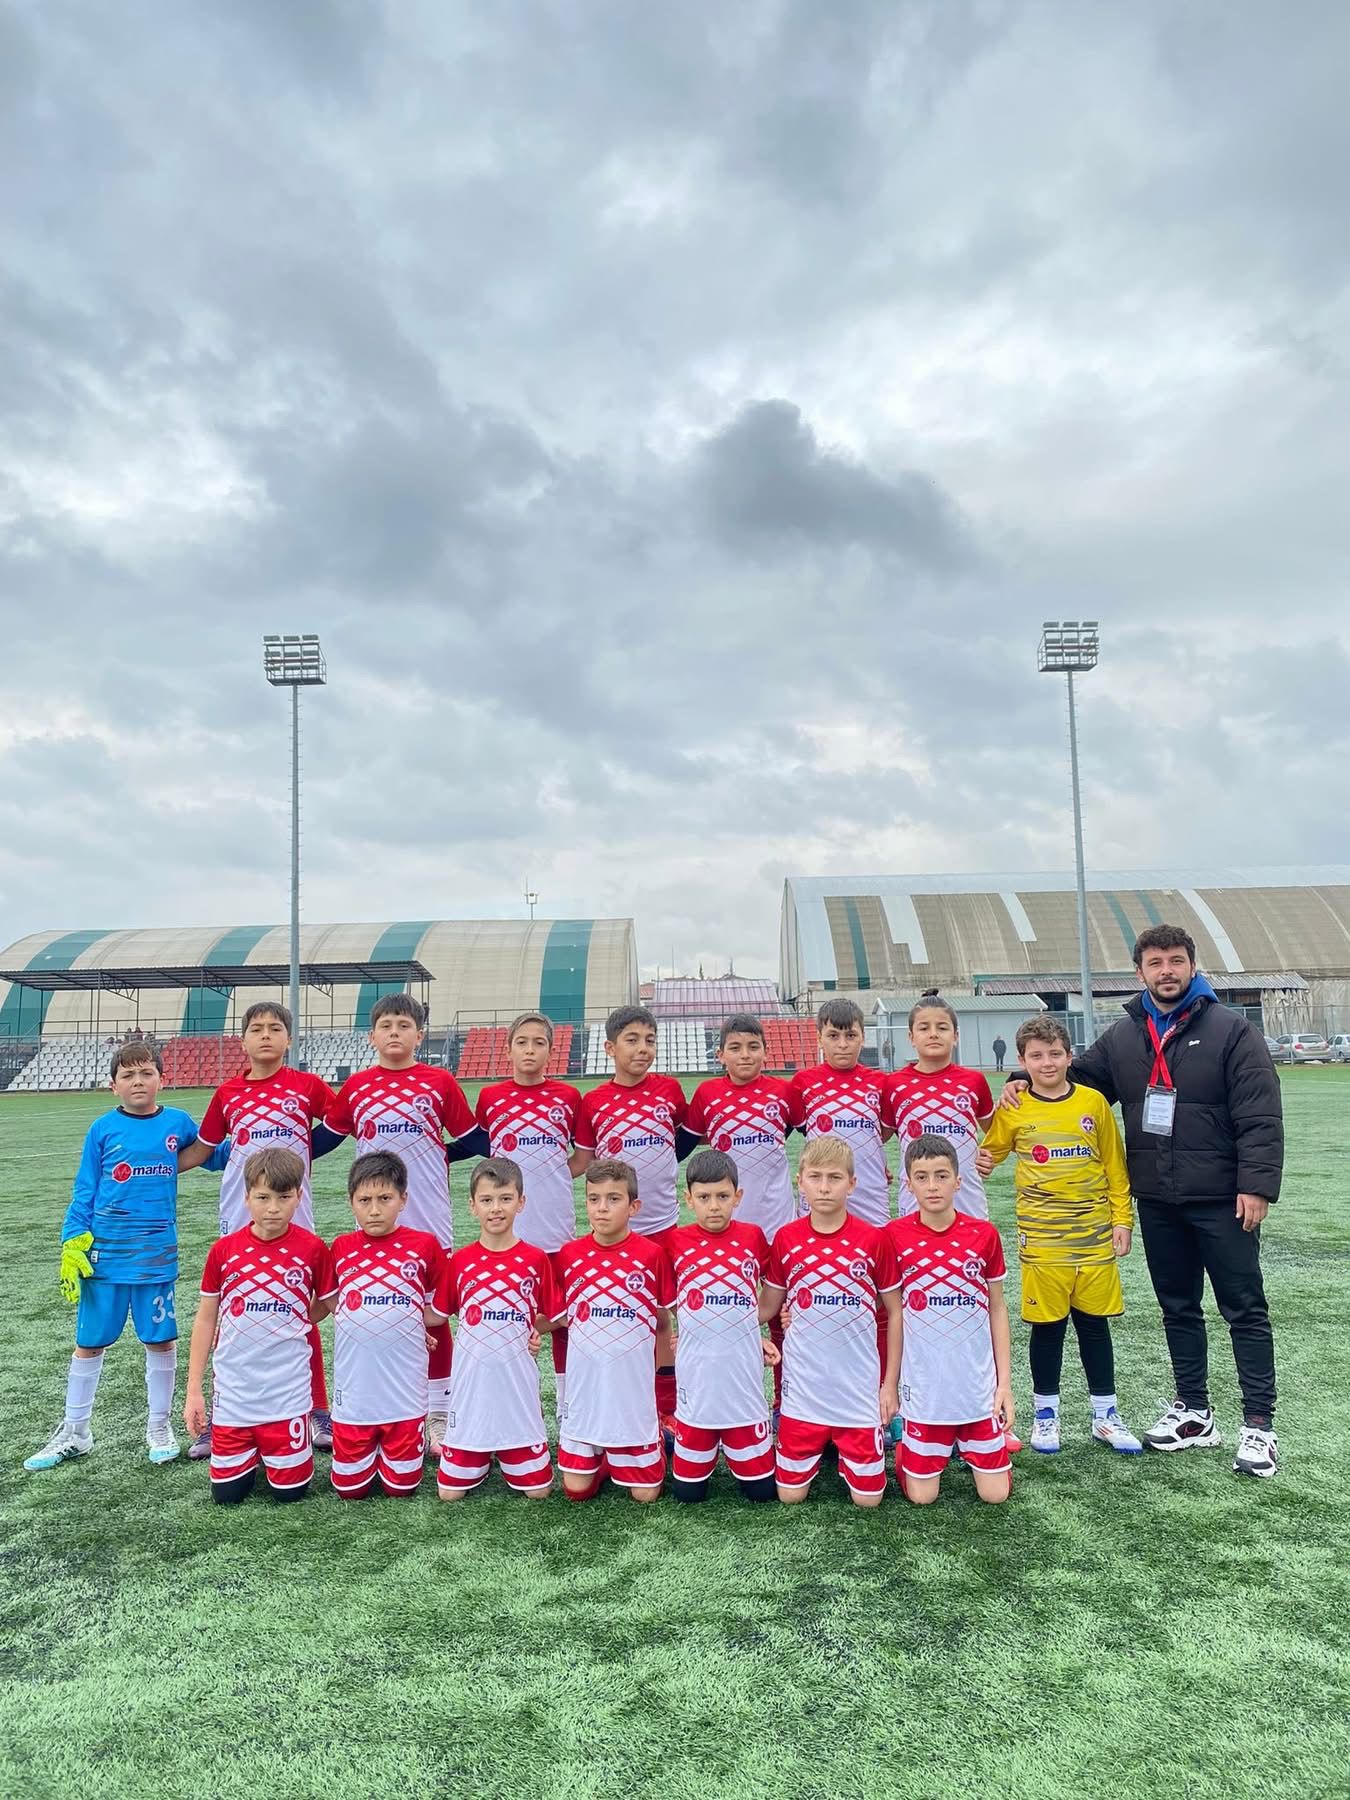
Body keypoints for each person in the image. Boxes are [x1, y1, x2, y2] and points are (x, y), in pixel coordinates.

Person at [999, 924, 1283, 1478]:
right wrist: (1019, 1078)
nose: (1166, 971)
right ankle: (1196, 1412)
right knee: (1178, 1307)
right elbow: (1071, 1079)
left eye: (1176, 961)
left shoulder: (1230, 1030)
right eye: (1155, 963)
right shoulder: (1125, 1036)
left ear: (1192, 965)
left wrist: (1256, 1185)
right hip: (1157, 1197)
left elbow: (1260, 1112)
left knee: (1244, 1309)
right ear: (1140, 972)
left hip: (1223, 1197)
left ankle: (1259, 1426)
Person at [24, 1042, 202, 1473]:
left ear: (163, 1078)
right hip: (105, 1256)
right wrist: (72, 1239)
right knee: (89, 1343)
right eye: (128, 1075)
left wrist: (253, 1141)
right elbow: (85, 1187)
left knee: (159, 1339)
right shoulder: (102, 1129)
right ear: (113, 1086)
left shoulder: (178, 1123)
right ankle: (75, 1430)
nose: (138, 1081)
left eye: (146, 1073)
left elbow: (211, 1152)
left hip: (155, 1255)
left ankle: (158, 1427)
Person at [178, 1001, 340, 1454]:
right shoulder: (228, 1093)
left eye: (275, 1028)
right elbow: (201, 1150)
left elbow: (338, 1126)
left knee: (302, 1307)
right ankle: (220, 1416)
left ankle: (316, 1409)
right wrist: (152, 1167)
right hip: (239, 1213)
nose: (265, 1035)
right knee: (234, 1313)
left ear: (288, 1039)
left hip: (292, 1210)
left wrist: (303, 1154)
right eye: (256, 1029)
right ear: (243, 1040)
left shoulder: (307, 1086)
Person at [979, 1016, 1141, 1456]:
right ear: (1022, 1061)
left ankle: (1105, 1415)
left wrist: (1122, 1221)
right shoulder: (1016, 1108)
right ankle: (1045, 1416)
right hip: (1042, 1241)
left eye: (1054, 1054)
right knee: (1047, 1329)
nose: (1046, 1062)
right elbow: (986, 1153)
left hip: (1093, 1239)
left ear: (1070, 1056)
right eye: (1036, 1055)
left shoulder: (1092, 1104)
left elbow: (1114, 1167)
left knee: (1094, 1326)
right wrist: (973, 1164)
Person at [324, 993, 476, 1450]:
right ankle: (385, 1403)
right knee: (376, 1308)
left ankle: (439, 1413)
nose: (395, 1032)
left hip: (428, 1217)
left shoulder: (440, 1082)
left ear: (419, 1035)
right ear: (372, 1036)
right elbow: (326, 1138)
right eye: (386, 1025)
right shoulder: (356, 1088)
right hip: (373, 1220)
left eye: (404, 1025)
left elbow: (470, 1139)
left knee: (435, 1315)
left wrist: (436, 1155)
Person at [183, 1148, 337, 1504]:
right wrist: (194, 1389)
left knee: (290, 1495)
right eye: (263, 1197)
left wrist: (302, 1316)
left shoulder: (313, 1249)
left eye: (284, 1197)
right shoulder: (224, 1251)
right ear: (246, 1197)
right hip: (235, 1394)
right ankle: (246, 1450)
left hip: (287, 1394)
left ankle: (275, 1450)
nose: (273, 1208)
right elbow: (206, 1319)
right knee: (227, 1497)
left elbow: (329, 1304)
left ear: (299, 1196)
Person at [761, 1135, 901, 1507]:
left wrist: (889, 1385)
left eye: (835, 1178)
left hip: (856, 1393)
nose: (824, 1187)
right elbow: (767, 1306)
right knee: (789, 1496)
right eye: (816, 1177)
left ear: (852, 1184)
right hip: (803, 1393)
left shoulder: (874, 1239)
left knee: (869, 1500)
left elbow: (895, 1311)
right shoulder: (786, 1239)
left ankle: (850, 1451)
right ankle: (813, 1448)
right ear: (800, 1180)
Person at [572, 1005, 693, 1425]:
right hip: (615, 1235)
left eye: (650, 1041)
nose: (643, 1049)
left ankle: (665, 1408)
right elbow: (585, 1161)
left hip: (663, 1226)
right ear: (609, 1047)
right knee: (618, 1319)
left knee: (664, 1317)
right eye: (632, 1040)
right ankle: (616, 1400)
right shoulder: (594, 1102)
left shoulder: (670, 1091)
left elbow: (681, 1142)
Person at [683, 1014, 803, 1414]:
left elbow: (810, 1133)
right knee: (731, 1310)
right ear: (720, 1055)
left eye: (753, 1046)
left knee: (784, 1317)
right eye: (735, 1047)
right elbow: (694, 1140)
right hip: (728, 1228)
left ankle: (787, 1399)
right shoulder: (706, 1094)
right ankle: (733, 1398)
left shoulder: (783, 1093)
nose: (745, 1054)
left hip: (778, 1222)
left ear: (766, 1052)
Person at [889, 1134, 1014, 1504]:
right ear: (908, 1183)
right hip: (925, 1392)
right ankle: (907, 1446)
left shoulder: (984, 1235)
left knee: (996, 1496)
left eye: (942, 1175)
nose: (932, 1186)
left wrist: (1004, 1384)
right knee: (922, 1498)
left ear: (958, 1181)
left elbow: (997, 1308)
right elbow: (887, 1311)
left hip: (976, 1389)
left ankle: (979, 1446)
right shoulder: (893, 1237)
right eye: (922, 1177)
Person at [317, 1151, 446, 1500]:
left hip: (404, 1398)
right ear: (351, 1202)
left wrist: (409, 1325)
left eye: (385, 1198)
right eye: (365, 1200)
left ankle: (400, 1445)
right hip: (354, 1399)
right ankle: (365, 1451)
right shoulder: (341, 1247)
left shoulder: (425, 1246)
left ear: (403, 1199)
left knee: (400, 1490)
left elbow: (441, 1306)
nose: (374, 1210)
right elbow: (333, 1304)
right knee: (349, 1491)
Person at [473, 1011, 582, 1421]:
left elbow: (583, 1157)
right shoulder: (490, 1097)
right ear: (509, 1049)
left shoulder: (568, 1098)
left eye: (539, 1042)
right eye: (522, 1042)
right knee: (509, 1316)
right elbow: (485, 1154)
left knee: (562, 1318)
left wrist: (550, 1172)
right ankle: (516, 1404)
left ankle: (571, 1403)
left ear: (551, 1051)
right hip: (508, 1232)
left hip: (556, 1227)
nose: (530, 1049)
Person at [430, 1157, 559, 1502]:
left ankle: (510, 1450)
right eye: (486, 1200)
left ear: (521, 1202)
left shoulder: (535, 1259)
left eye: (505, 1198)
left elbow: (557, 1315)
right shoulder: (460, 1262)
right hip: (471, 1397)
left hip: (518, 1394)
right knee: (449, 1495)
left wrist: (534, 1330)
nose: (496, 1208)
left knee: (539, 1492)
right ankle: (481, 1456)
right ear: (472, 1206)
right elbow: (437, 1315)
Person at [552, 1160, 675, 1503]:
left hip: (631, 1399)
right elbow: (552, 1316)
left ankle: (652, 1440)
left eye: (613, 1199)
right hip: (585, 1398)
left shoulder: (652, 1256)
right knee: (578, 1493)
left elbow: (666, 1319)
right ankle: (600, 1454)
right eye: (593, 1199)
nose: (602, 1208)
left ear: (634, 1206)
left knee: (645, 1496)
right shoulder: (568, 1255)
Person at [667, 1150, 778, 1504]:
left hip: (741, 1386)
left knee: (762, 1492)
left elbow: (772, 1290)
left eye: (722, 1196)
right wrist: (690, 1325)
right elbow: (667, 1297)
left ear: (737, 1197)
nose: (713, 1206)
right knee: (687, 1494)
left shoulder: (753, 1237)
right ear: (688, 1199)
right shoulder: (675, 1242)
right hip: (696, 1389)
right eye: (703, 1197)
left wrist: (749, 1331)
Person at [882, 991, 994, 1220]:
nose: (933, 1034)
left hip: (966, 1197)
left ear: (956, 1036)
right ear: (911, 1037)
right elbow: (878, 1136)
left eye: (942, 1028)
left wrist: (991, 1156)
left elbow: (996, 1130)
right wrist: (878, 1167)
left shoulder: (974, 1081)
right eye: (924, 1028)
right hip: (915, 1199)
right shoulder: (894, 1084)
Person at [788, 1000, 890, 1226]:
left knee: (874, 1251)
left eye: (851, 1036)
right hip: (820, 1189)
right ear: (819, 1038)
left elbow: (885, 1130)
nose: (842, 1044)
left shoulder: (881, 1083)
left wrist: (872, 1155)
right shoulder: (802, 1083)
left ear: (863, 1037)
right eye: (833, 1036)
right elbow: (800, 1126)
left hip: (869, 1189)